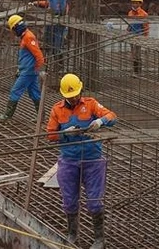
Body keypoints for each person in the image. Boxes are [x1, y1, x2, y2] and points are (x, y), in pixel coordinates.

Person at [46, 73, 117, 249]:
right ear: (63, 95)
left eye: (76, 94)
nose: (74, 98)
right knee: (69, 200)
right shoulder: (57, 110)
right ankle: (72, 233)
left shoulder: (91, 104)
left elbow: (112, 116)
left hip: (92, 160)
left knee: (95, 201)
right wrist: (64, 133)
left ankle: (99, 239)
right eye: (70, 96)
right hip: (69, 160)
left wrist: (100, 121)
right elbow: (50, 135)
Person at [0, 15, 45, 120]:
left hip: (28, 72)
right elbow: (27, 57)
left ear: (17, 27)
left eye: (13, 30)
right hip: (28, 71)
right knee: (35, 94)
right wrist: (21, 68)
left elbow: (39, 55)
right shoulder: (25, 36)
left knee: (15, 91)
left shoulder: (29, 37)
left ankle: (7, 116)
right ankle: (41, 117)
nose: (14, 33)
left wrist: (37, 69)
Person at [127, 0, 149, 74]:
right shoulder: (130, 13)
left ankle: (138, 71)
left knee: (138, 54)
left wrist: (145, 37)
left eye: (136, 3)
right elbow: (129, 25)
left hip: (139, 36)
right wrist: (127, 32)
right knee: (133, 54)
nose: (135, 4)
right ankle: (134, 70)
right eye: (133, 3)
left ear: (140, 4)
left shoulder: (144, 14)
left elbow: (146, 27)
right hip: (132, 36)